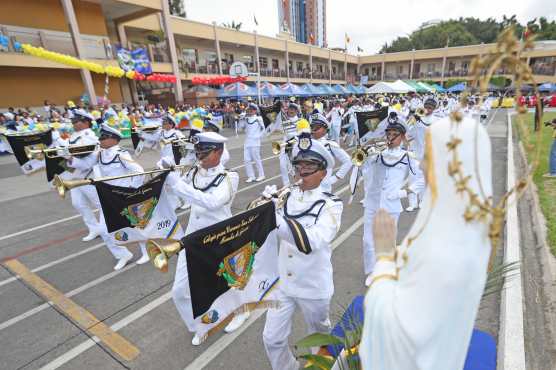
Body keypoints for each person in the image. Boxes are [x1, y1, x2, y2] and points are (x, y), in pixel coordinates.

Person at [359, 115, 493, 370]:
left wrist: (385, 257)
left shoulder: (447, 244)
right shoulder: (455, 219)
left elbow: (396, 331)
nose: (421, 165)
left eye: (429, 158)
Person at [261, 136, 343, 370]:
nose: (302, 172)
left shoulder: (331, 204)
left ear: (323, 172)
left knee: (319, 340)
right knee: (272, 338)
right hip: (283, 283)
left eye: (309, 167)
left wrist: (273, 219)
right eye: (299, 166)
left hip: (313, 285)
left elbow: (311, 241)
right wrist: (261, 212)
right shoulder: (285, 197)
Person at [163, 132, 244, 345]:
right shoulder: (193, 172)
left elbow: (212, 202)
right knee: (179, 291)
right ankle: (199, 325)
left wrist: (176, 183)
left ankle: (241, 311)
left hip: (219, 237)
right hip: (193, 238)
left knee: (228, 283)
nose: (199, 156)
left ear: (218, 152)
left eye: (205, 152)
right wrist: (166, 174)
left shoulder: (229, 177)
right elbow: (181, 195)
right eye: (197, 151)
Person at [70, 124, 150, 270]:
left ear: (113, 139)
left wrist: (132, 189)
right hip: (108, 197)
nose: (101, 140)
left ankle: (147, 252)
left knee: (135, 226)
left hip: (122, 196)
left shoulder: (121, 153)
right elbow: (85, 164)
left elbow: (139, 170)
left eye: (104, 138)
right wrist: (68, 160)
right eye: (101, 137)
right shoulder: (100, 153)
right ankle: (122, 255)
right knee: (104, 230)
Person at [360, 118, 424, 285]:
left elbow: (421, 179)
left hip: (391, 205)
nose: (390, 138)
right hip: (372, 203)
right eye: (388, 134)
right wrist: (366, 155)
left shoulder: (407, 157)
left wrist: (402, 193)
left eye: (394, 135)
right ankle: (371, 271)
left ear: (402, 137)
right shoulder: (377, 154)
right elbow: (364, 171)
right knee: (368, 241)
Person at [63, 109, 102, 241]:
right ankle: (94, 228)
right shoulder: (72, 137)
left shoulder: (90, 137)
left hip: (88, 177)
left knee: (100, 204)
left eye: (76, 121)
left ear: (86, 122)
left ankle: (109, 227)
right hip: (74, 177)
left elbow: (89, 163)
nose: (73, 124)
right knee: (78, 204)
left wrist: (70, 160)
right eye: (73, 121)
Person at [406, 98, 441, 211]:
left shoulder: (437, 120)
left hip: (429, 154)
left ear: (434, 108)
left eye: (430, 108)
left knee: (424, 179)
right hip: (415, 153)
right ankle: (412, 203)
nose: (428, 109)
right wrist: (414, 121)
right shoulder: (416, 119)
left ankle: (423, 200)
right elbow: (408, 134)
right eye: (426, 107)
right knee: (413, 178)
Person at [310, 113, 352, 193]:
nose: (313, 130)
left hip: (323, 188)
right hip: (308, 186)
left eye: (317, 128)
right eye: (312, 127)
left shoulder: (329, 144)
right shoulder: (307, 143)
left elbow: (348, 161)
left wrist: (335, 178)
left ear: (325, 129)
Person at [239, 103, 266, 183]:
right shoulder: (246, 119)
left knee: (256, 159)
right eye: (249, 110)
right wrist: (241, 119)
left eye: (251, 110)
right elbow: (240, 129)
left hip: (255, 142)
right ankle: (251, 176)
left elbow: (264, 130)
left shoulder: (258, 118)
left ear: (255, 111)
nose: (249, 111)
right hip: (247, 142)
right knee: (246, 160)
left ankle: (261, 175)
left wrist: (258, 136)